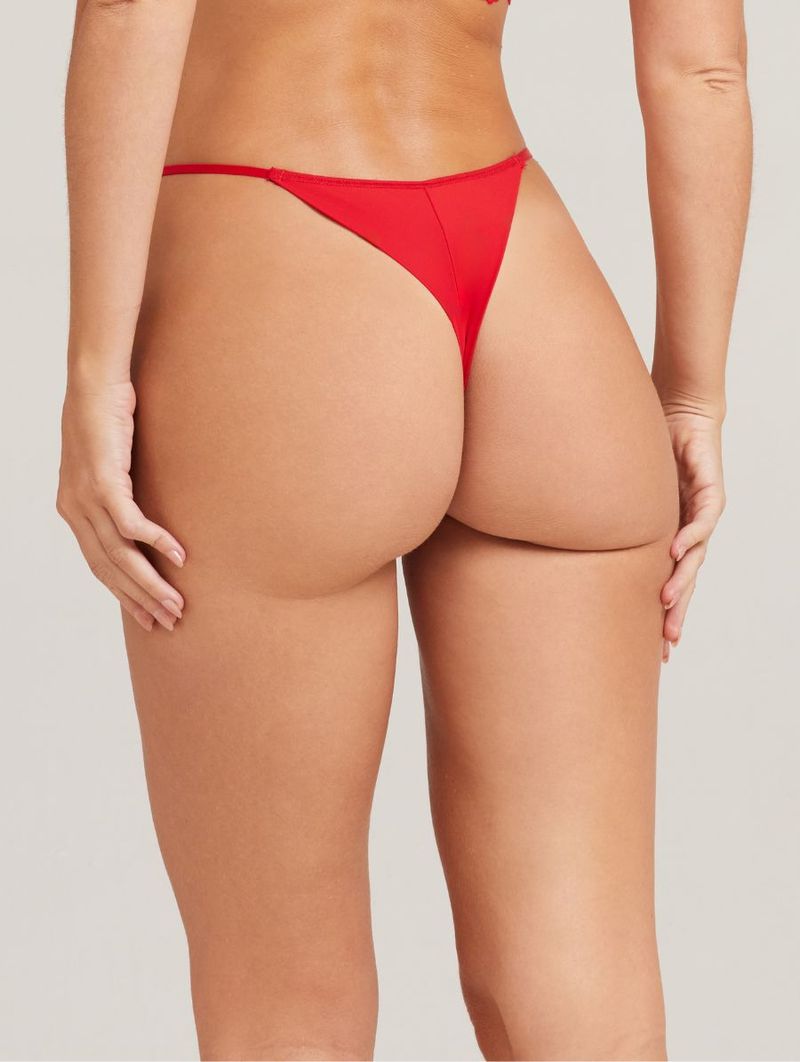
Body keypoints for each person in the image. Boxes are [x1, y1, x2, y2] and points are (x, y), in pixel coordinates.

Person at [56, 1, 752, 1058]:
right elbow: (702, 71)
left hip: (282, 270)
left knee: (282, 1001)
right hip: (533, 296)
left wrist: (95, 372)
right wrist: (691, 395)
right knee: (574, 969)